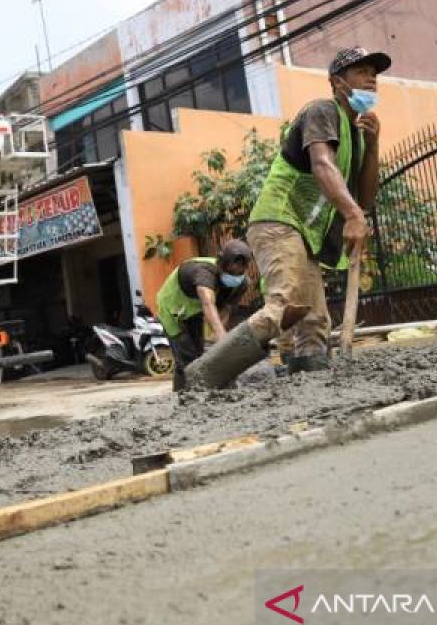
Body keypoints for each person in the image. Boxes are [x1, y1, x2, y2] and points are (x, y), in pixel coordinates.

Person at [186, 46, 388, 388]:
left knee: (314, 319)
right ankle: (202, 376)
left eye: (375, 73)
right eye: (361, 71)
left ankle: (310, 388)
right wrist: (352, 214)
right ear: (338, 82)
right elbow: (322, 164)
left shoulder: (355, 132)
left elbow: (363, 197)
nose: (372, 79)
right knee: (288, 303)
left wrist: (374, 143)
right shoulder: (322, 111)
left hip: (306, 234)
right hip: (279, 219)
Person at [156, 240, 253, 391]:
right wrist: (222, 336)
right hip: (172, 308)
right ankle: (183, 395)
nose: (237, 275)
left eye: (241, 271)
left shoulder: (241, 284)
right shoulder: (203, 272)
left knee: (199, 353)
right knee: (185, 356)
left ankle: (202, 390)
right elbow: (208, 303)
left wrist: (219, 338)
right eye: (232, 271)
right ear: (222, 265)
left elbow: (225, 310)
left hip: (195, 310)